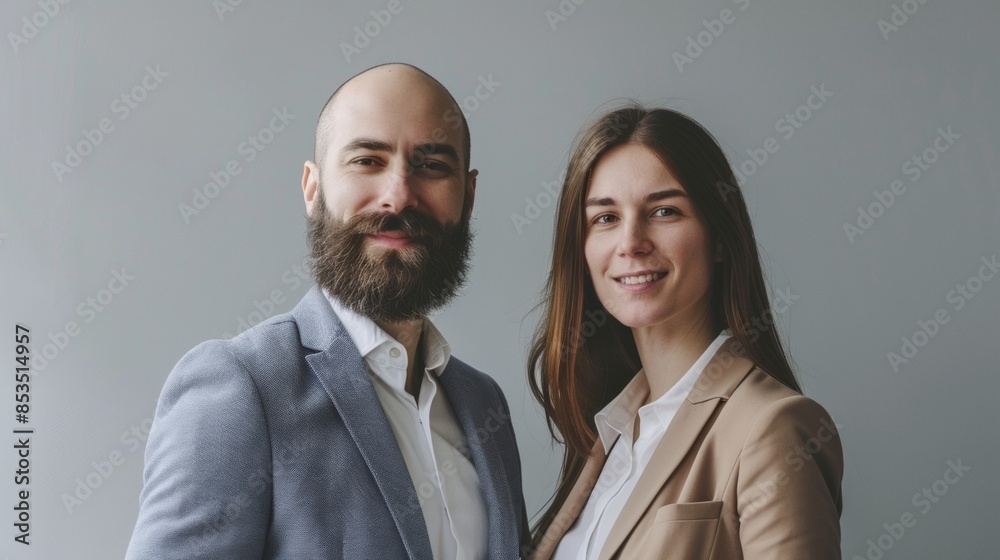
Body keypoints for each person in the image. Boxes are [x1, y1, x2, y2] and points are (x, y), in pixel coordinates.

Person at [126, 63, 528, 560]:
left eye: (431, 166)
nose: (399, 194)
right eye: (367, 161)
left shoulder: (483, 403)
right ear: (312, 190)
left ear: (467, 197)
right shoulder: (241, 386)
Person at [526, 104, 843, 559]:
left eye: (664, 211)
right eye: (606, 218)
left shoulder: (772, 429)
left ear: (719, 237)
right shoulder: (609, 433)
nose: (631, 242)